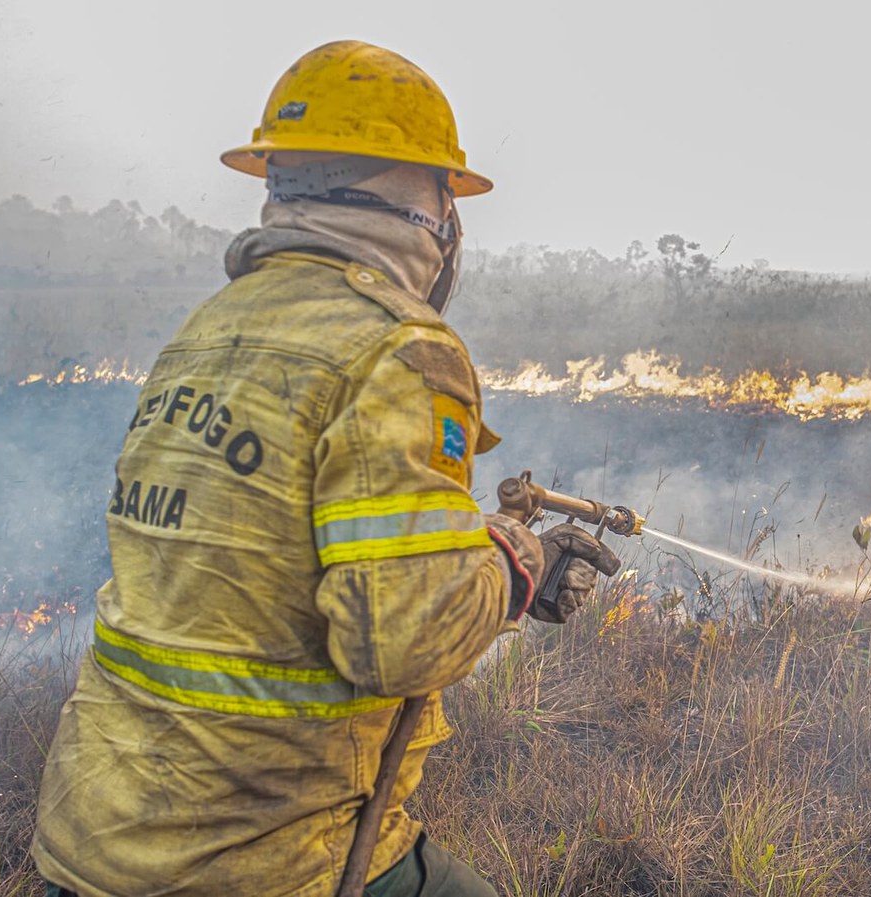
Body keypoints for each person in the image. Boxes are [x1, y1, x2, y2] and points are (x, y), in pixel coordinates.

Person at [32, 40, 620, 897]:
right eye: (445, 192)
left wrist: (479, 551)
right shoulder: (400, 348)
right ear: (416, 199)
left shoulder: (208, 331)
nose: (451, 221)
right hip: (263, 854)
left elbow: (278, 551)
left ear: (283, 185)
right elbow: (400, 638)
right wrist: (515, 565)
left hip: (95, 833)